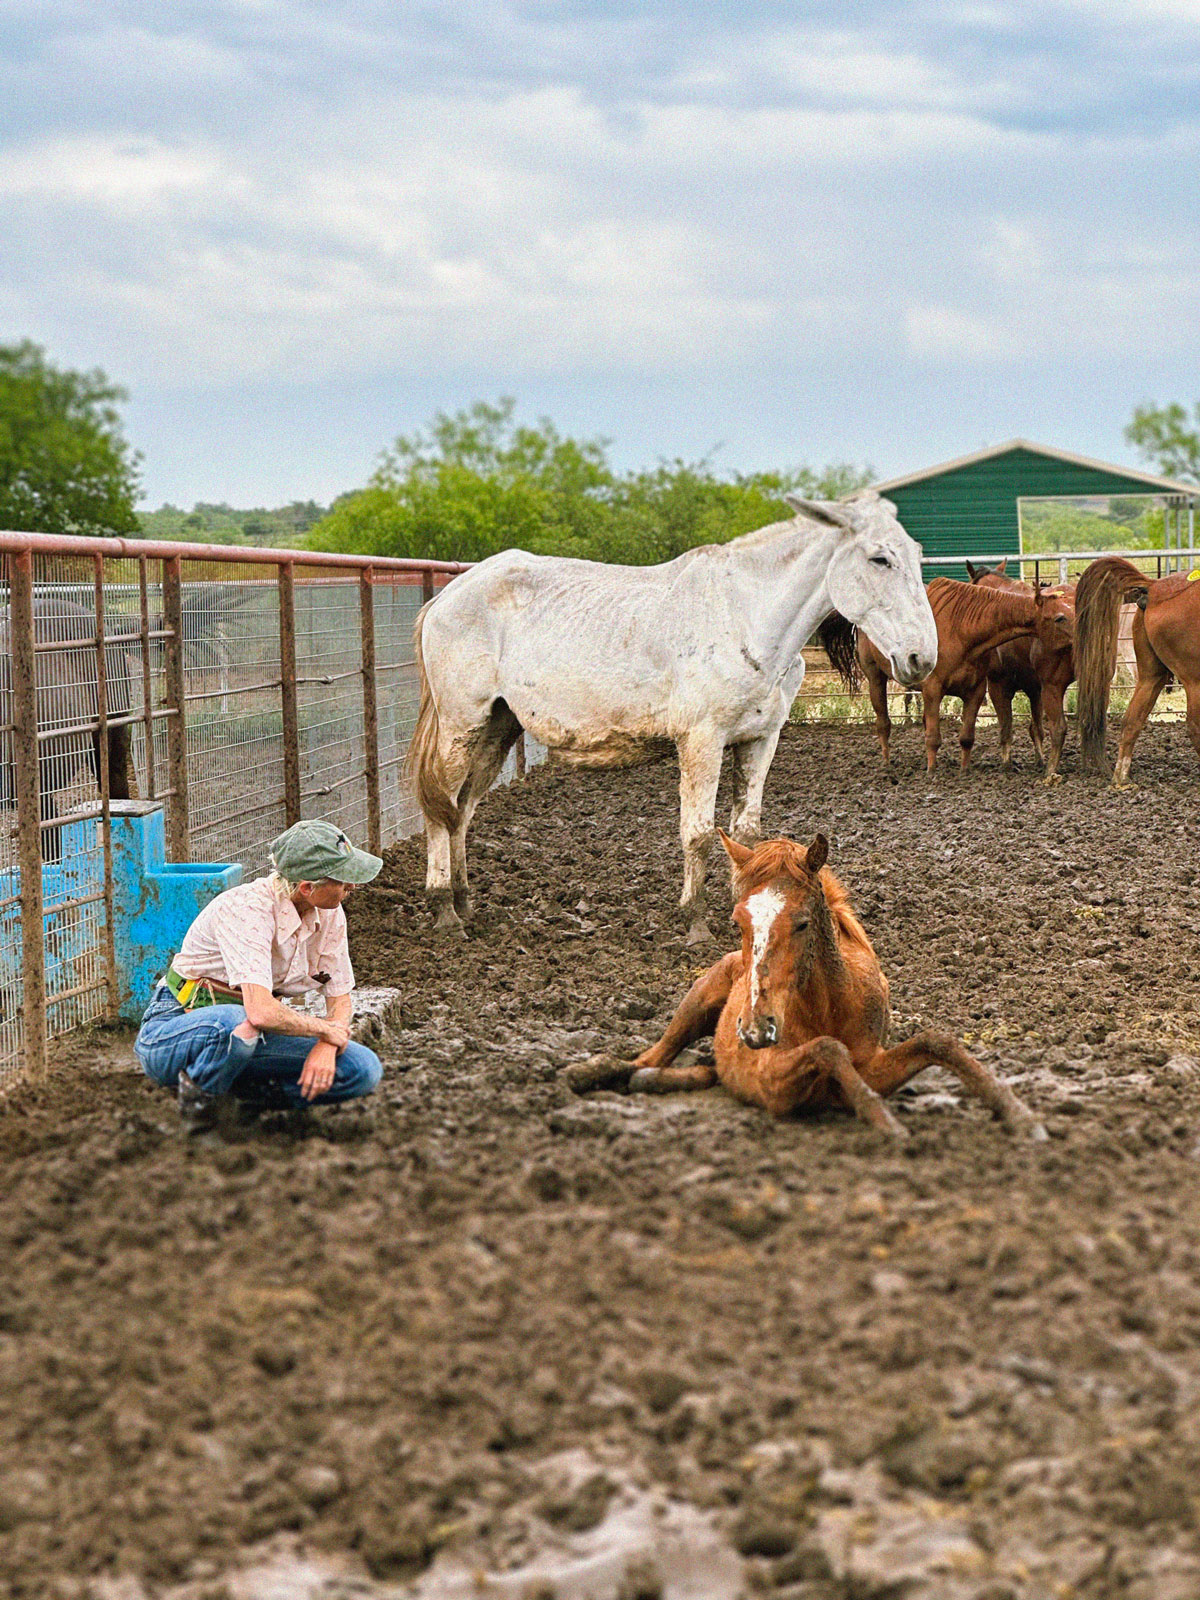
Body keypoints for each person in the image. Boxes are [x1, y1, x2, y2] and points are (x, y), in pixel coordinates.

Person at [134, 820, 385, 1126]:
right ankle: (200, 1115)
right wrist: (323, 1029)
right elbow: (262, 1012)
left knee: (362, 1068)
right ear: (308, 888)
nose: (352, 887)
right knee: (238, 1022)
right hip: (176, 1030)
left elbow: (340, 997)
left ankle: (245, 1103)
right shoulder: (247, 910)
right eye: (344, 880)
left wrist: (328, 1044)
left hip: (251, 1037)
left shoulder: (330, 914)